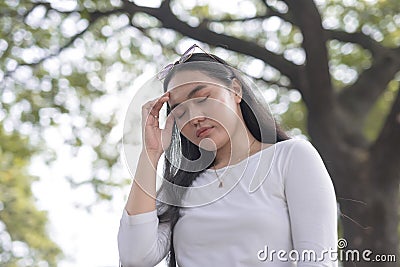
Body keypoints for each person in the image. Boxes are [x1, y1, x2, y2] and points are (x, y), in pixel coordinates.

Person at [118, 44, 338, 267]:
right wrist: (151, 154)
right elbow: (134, 258)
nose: (194, 117)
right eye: (180, 111)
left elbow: (318, 261)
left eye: (203, 98)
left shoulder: (291, 157)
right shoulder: (179, 188)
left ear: (235, 90)